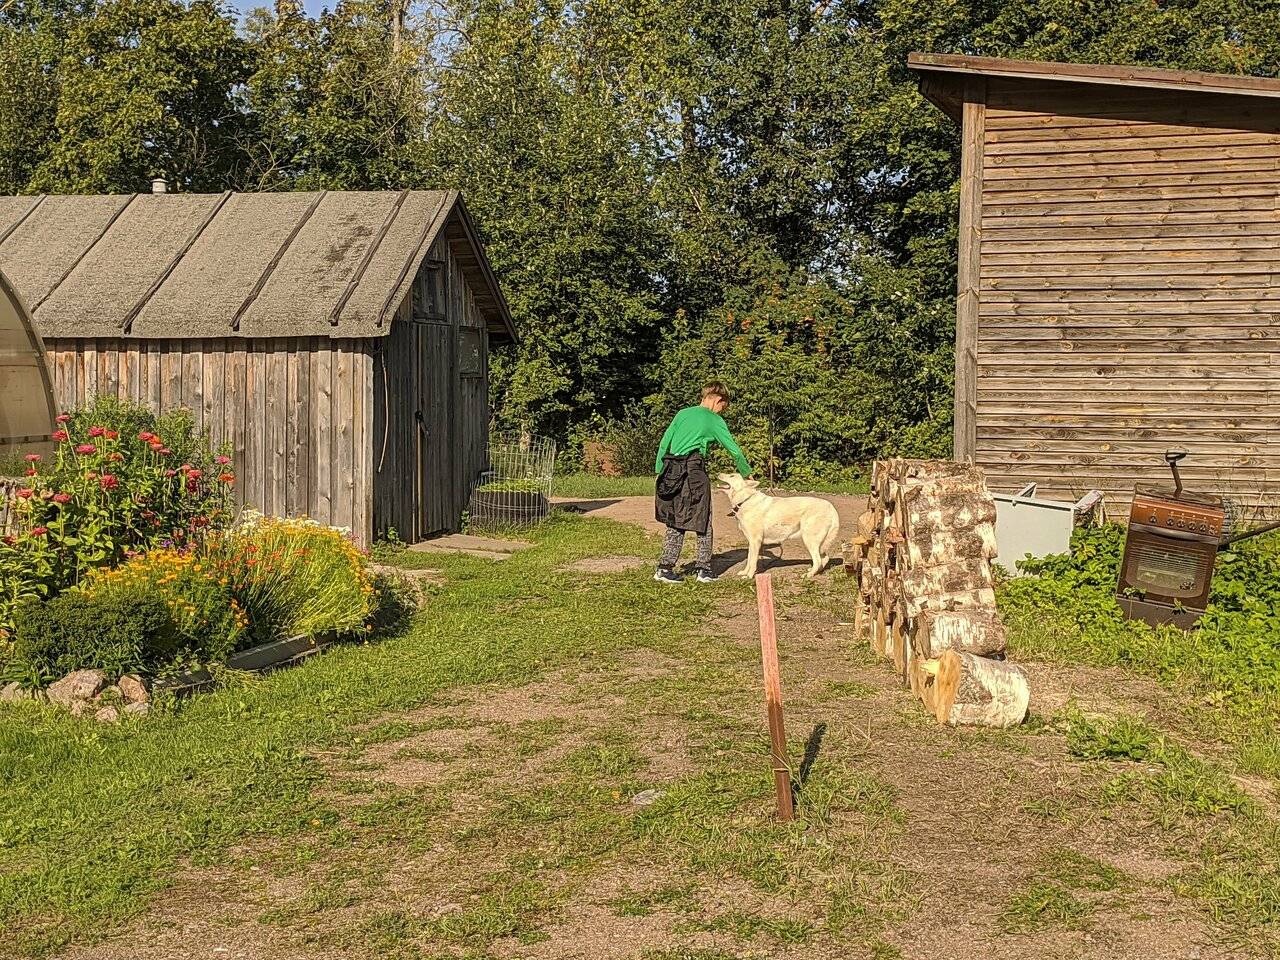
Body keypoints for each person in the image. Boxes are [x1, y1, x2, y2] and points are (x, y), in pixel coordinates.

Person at [653, 381, 751, 584]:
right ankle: (703, 569)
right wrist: (746, 473)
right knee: (703, 517)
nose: (722, 411)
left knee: (676, 518)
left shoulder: (682, 413)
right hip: (693, 469)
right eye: (723, 406)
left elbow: (665, 441)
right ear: (718, 399)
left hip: (671, 467)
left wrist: (659, 469)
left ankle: (664, 568)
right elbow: (734, 450)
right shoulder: (714, 419)